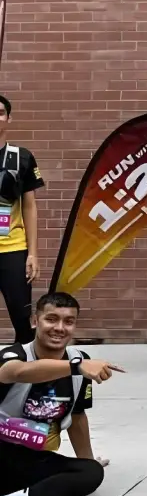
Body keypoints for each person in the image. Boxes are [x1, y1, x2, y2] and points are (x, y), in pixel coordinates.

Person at [0, 292, 122, 496]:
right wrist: (75, 366)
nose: (60, 327)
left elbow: (77, 416)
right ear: (35, 321)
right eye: (51, 319)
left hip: (33, 458)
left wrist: (86, 459)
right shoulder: (14, 354)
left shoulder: (80, 359)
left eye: (69, 321)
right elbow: (14, 372)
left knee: (90, 472)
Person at [0, 95, 45, 345]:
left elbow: (29, 206)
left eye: (0, 112)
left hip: (13, 248)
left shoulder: (22, 157)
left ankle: (27, 376)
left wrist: (33, 253)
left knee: (23, 320)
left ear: (8, 118)